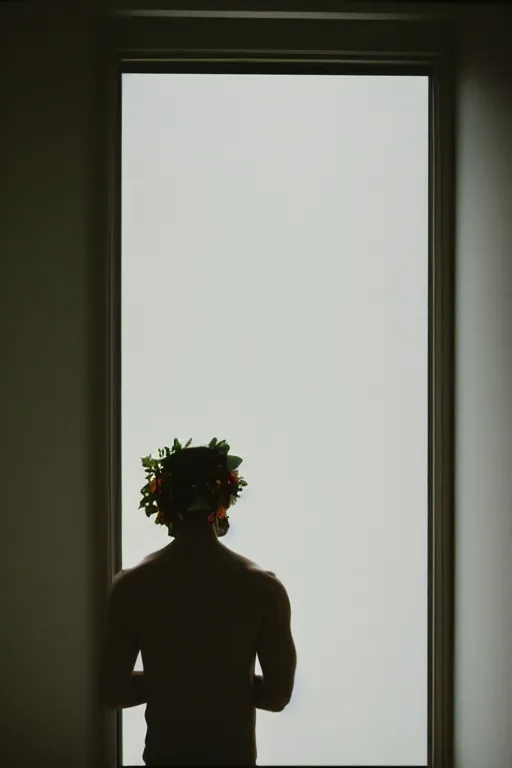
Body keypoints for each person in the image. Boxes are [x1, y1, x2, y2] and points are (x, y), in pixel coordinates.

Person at [103, 438, 297, 766]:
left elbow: (112, 690)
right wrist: (222, 680)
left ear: (163, 502)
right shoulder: (262, 588)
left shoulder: (132, 587)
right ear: (224, 500)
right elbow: (278, 696)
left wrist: (175, 679)